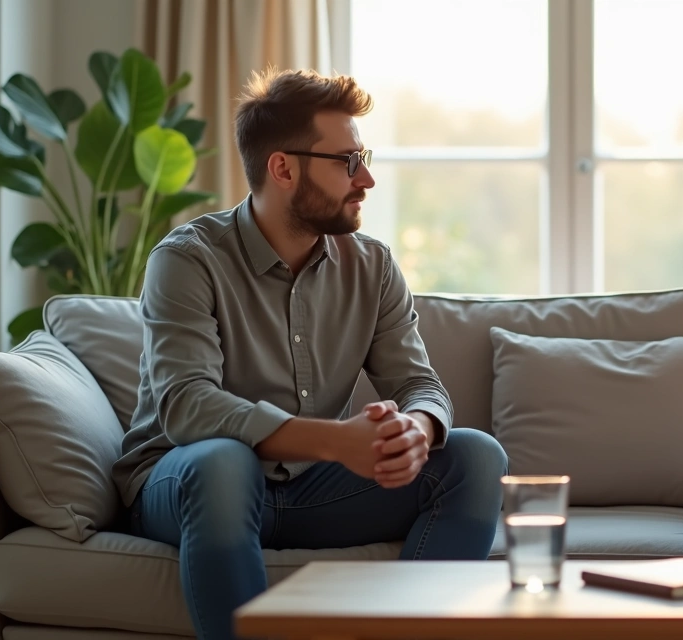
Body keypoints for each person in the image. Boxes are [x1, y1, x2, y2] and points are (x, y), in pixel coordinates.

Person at [112, 68, 508, 640]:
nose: (366, 178)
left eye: (363, 157)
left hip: (314, 489)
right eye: (347, 161)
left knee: (475, 457)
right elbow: (187, 406)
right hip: (189, 485)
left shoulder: (371, 266)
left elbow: (420, 384)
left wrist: (417, 429)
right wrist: (335, 440)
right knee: (224, 461)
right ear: (282, 168)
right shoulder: (187, 260)